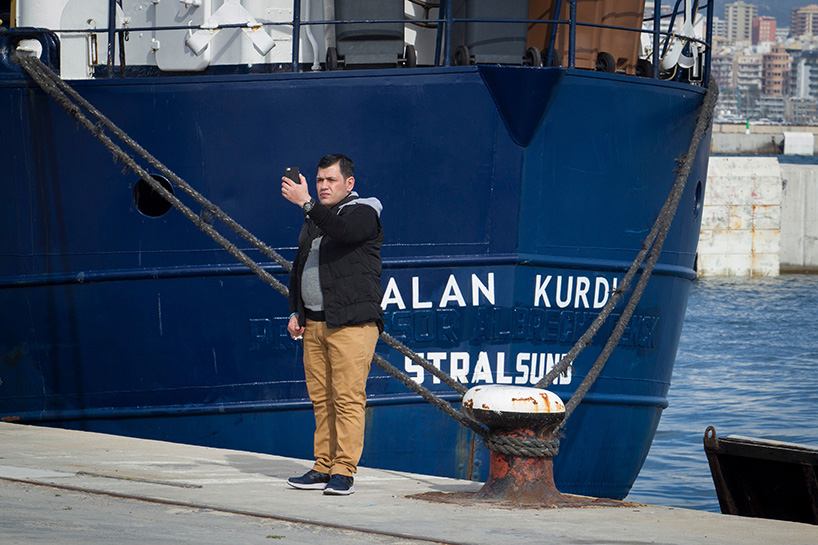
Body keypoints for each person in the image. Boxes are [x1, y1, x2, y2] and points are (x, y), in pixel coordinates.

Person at [280, 154, 383, 496]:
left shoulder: (364, 212)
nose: (323, 186)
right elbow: (301, 267)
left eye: (330, 180)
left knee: (347, 399)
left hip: (351, 325)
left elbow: (345, 231)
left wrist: (307, 203)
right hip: (316, 325)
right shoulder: (314, 221)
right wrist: (297, 312)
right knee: (321, 399)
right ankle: (323, 466)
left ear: (349, 183)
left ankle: (344, 471)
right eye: (319, 180)